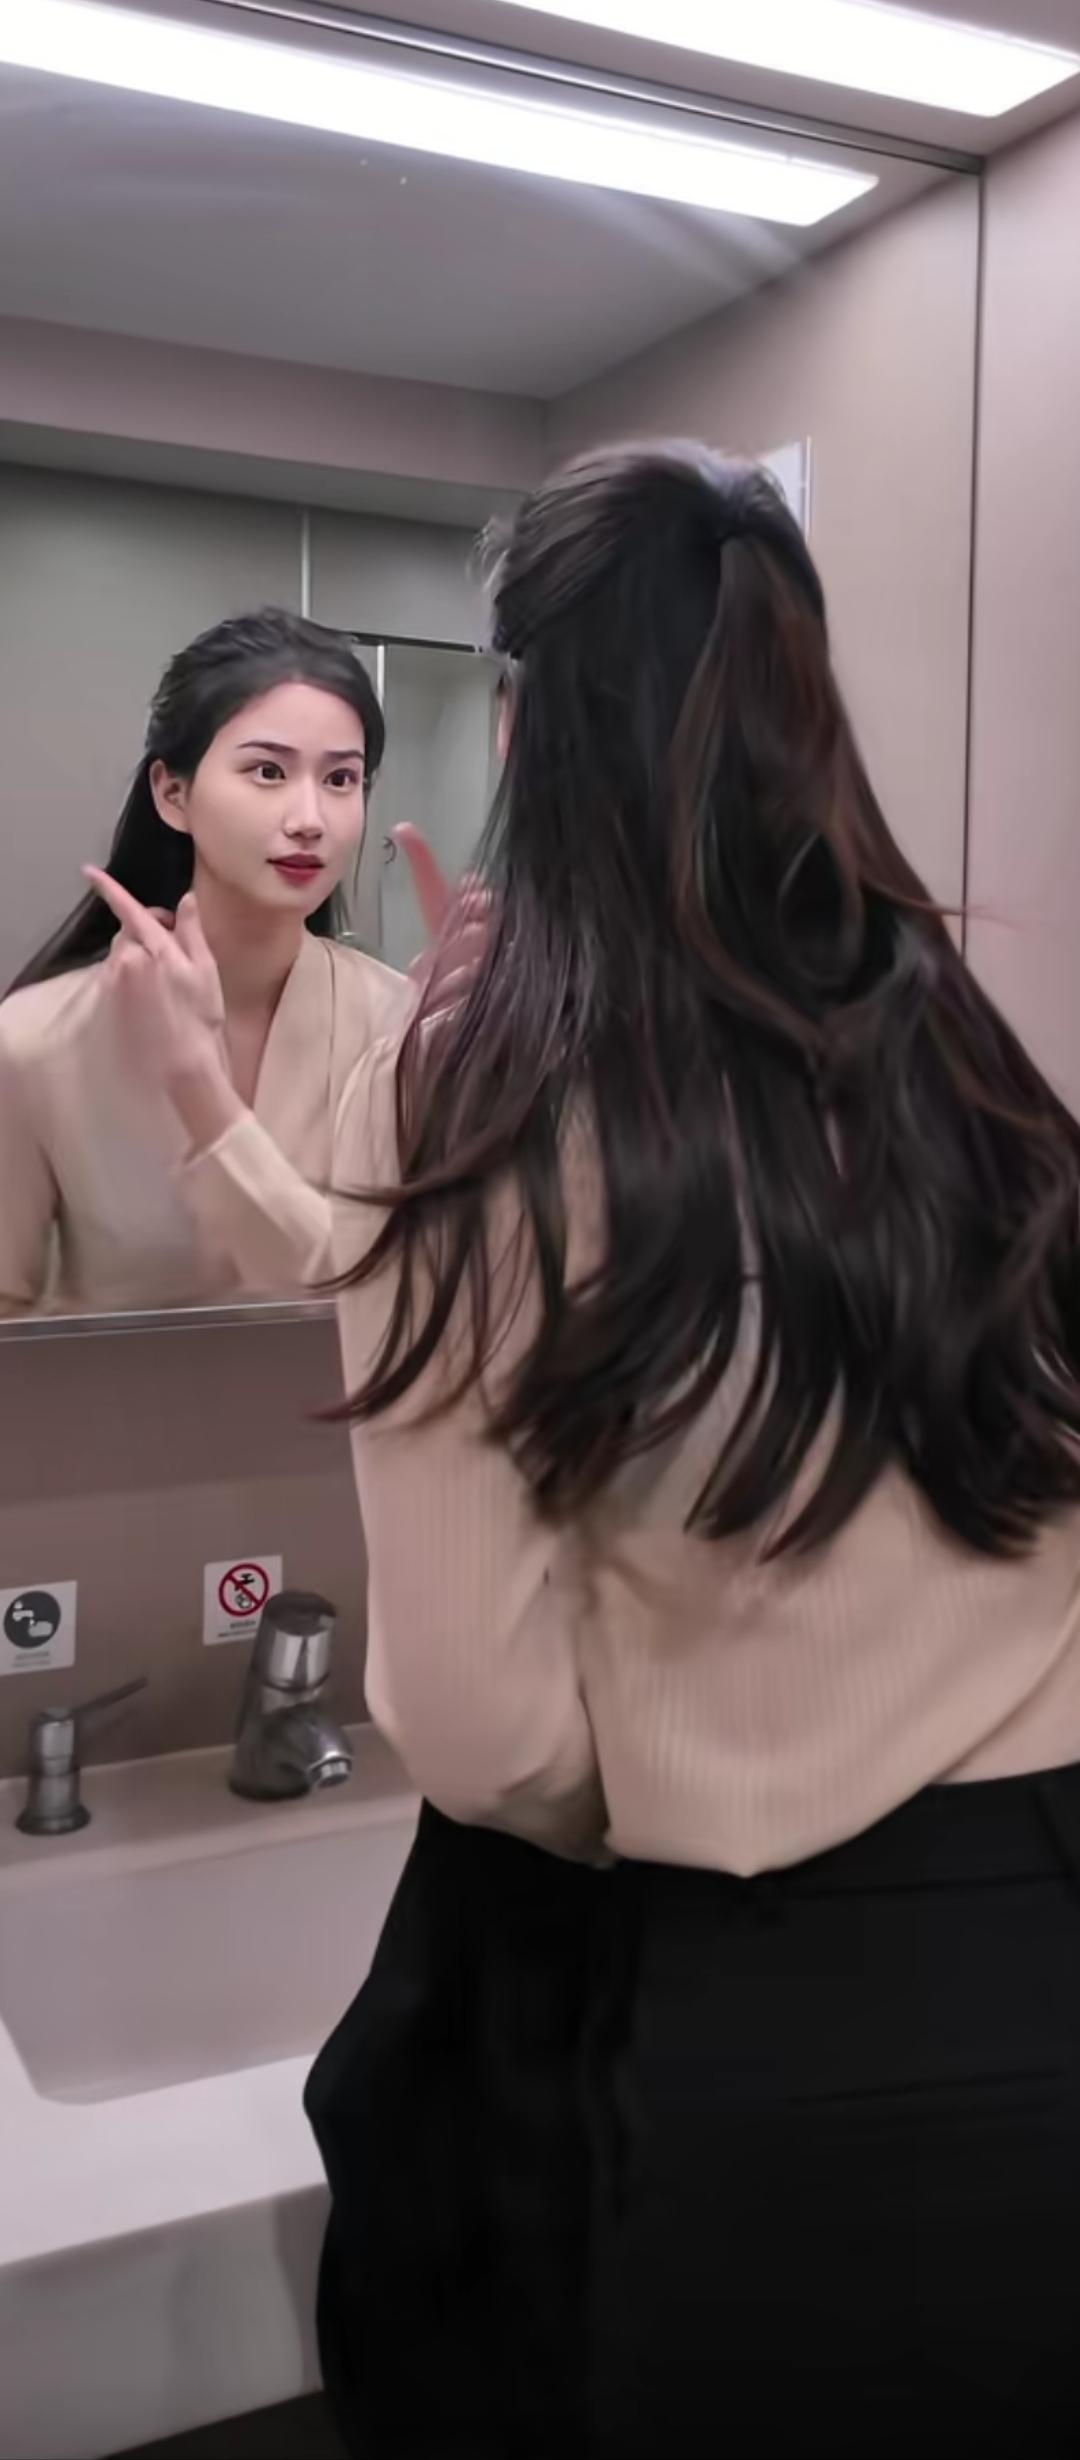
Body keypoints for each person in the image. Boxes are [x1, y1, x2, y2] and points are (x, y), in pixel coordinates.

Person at [307, 444, 1080, 2458]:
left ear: (524, 720)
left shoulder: (474, 1093)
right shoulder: (971, 1058)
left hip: (789, 2013)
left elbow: (487, 1737)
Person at [0, 608, 411, 1314]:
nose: (309, 818)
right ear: (173, 793)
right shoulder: (32, 1043)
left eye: (342, 780)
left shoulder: (401, 1026)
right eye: (268, 771)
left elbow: (406, 1303)